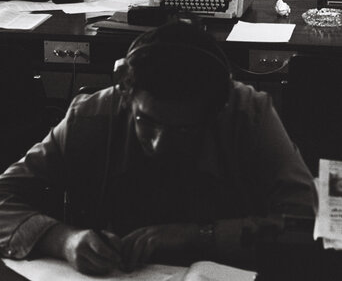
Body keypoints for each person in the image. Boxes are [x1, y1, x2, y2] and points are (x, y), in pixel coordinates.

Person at [0, 21, 316, 276]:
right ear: (126, 93)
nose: (159, 142)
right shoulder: (91, 116)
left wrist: (197, 235)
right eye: (147, 122)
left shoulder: (249, 115)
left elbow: (311, 224)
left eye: (184, 129)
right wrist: (62, 239)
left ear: (216, 110)